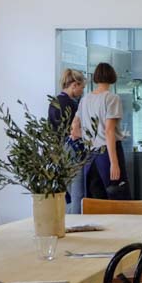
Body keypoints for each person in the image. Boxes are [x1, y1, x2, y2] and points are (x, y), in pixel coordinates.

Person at [72, 62, 129, 200]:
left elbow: (74, 128)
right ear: (112, 76)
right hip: (107, 154)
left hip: (89, 157)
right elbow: (109, 131)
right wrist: (114, 163)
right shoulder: (112, 98)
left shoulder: (84, 100)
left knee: (95, 202)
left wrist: (89, 136)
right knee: (118, 199)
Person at [52, 69, 87, 213]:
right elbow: (74, 131)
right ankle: (77, 222)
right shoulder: (70, 104)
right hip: (72, 148)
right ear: (74, 85)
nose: (82, 91)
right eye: (82, 87)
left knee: (67, 192)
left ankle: (67, 221)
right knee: (77, 191)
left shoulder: (55, 101)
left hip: (59, 149)